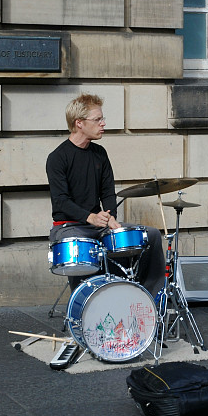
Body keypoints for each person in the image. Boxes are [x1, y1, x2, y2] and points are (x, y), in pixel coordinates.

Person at [46, 93, 164, 295]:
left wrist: (110, 217)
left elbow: (108, 192)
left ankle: (150, 297)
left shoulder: (100, 153)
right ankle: (85, 302)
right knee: (80, 247)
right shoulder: (57, 157)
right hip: (69, 227)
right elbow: (61, 201)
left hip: (98, 225)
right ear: (79, 123)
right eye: (97, 119)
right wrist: (90, 217)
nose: (103, 123)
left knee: (150, 235)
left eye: (102, 118)